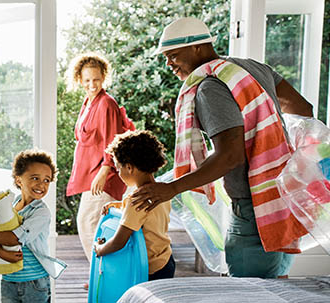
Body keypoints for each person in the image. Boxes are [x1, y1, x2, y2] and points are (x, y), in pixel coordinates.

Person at [130, 17, 314, 279]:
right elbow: (303, 109)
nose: (169, 64)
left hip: (254, 210)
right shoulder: (251, 69)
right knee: (274, 286)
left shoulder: (210, 86)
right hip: (282, 200)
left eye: (173, 55)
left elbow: (230, 156)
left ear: (196, 47)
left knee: (247, 293)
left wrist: (171, 189)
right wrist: (275, 149)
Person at [65, 52, 135, 268]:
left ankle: (103, 272)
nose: (92, 84)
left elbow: (113, 139)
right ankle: (100, 272)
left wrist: (104, 170)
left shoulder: (106, 103)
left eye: (96, 79)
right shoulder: (88, 102)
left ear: (103, 77)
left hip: (103, 174)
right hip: (91, 174)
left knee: (89, 222)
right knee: (93, 224)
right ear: (80, 80)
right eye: (87, 80)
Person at [0, 149, 67, 303]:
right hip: (8, 279)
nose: (42, 184)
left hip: (34, 283)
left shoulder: (41, 212)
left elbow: (14, 239)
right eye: (35, 178)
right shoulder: (11, 205)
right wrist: (0, 251)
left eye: (47, 180)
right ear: (19, 180)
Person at [94, 130, 175, 281]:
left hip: (149, 268)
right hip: (166, 259)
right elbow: (148, 216)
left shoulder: (136, 200)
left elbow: (119, 242)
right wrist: (120, 205)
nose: (118, 173)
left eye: (118, 168)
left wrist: (100, 250)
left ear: (129, 168)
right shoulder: (162, 191)